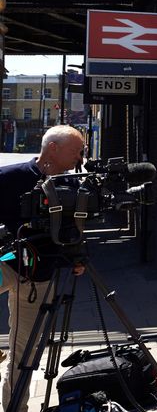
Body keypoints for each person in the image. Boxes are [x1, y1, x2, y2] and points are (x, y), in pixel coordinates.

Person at [0, 125, 86, 412]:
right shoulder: (9, 178)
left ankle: (15, 408)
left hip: (39, 276)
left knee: (23, 352)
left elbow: (74, 231)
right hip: (6, 261)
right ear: (53, 148)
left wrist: (77, 258)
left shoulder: (72, 186)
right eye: (75, 150)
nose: (79, 156)